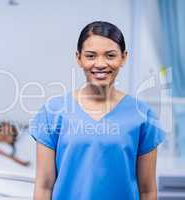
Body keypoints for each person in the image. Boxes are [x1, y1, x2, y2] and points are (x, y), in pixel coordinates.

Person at [30, 21, 165, 200]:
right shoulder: (53, 112)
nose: (100, 64)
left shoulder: (143, 115)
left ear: (123, 58)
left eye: (110, 55)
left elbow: (147, 190)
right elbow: (44, 186)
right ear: (79, 58)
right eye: (91, 56)